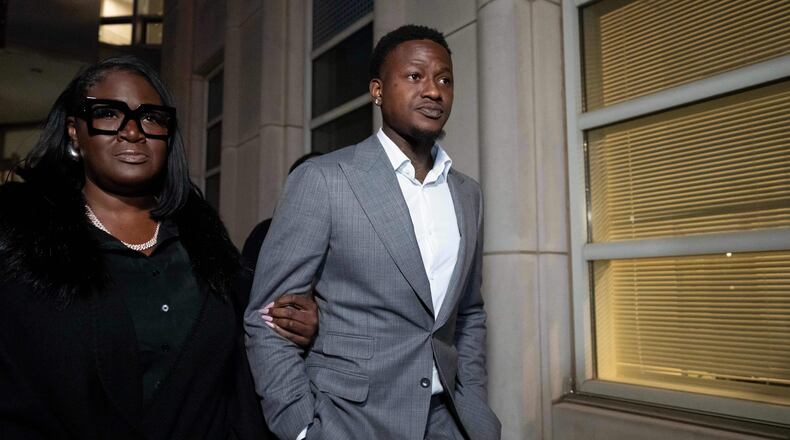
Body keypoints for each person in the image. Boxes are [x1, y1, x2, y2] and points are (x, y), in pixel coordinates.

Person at [0, 56, 317, 439]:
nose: (133, 132)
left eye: (151, 117)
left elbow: (248, 345)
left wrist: (299, 325)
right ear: (74, 131)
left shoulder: (205, 242)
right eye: (107, 113)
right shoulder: (21, 240)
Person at [245, 25, 501, 440]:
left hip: (449, 421)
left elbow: (469, 312)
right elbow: (266, 319)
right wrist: (300, 429)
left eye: (444, 79)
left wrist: (474, 403)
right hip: (351, 422)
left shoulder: (467, 194)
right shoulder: (325, 180)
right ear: (378, 91)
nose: (433, 90)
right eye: (415, 76)